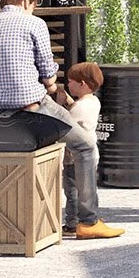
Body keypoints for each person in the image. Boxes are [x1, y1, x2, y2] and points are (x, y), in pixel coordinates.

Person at [0, 0, 116, 238]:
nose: (34, 12)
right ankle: (88, 222)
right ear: (26, 2)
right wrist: (53, 87)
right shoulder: (34, 24)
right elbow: (48, 72)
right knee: (86, 146)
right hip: (31, 107)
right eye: (34, 7)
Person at [48, 61, 122, 240]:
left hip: (78, 156)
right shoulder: (90, 101)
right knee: (80, 189)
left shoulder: (83, 106)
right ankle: (81, 221)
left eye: (71, 81)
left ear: (82, 84)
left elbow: (67, 124)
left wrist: (58, 106)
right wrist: (68, 101)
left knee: (77, 191)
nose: (68, 85)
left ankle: (78, 222)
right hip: (79, 156)